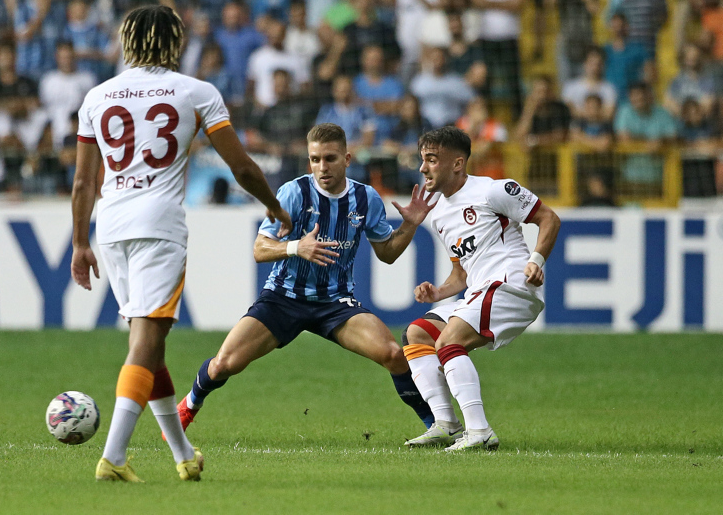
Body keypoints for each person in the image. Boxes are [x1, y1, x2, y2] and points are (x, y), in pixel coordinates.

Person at [70, 5, 291, 483]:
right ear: (176, 42)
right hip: (158, 224)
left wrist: (78, 244)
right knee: (146, 341)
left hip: (110, 224)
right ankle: (114, 456)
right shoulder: (195, 92)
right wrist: (273, 206)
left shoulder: (98, 96)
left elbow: (83, 184)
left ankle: (183, 454)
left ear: (127, 41)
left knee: (150, 344)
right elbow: (244, 168)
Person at [171, 122, 438, 439]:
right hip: (283, 299)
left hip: (335, 303)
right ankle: (190, 403)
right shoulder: (293, 193)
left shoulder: (366, 199)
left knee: (394, 354)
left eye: (330, 158)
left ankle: (434, 426)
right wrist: (298, 247)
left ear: (347, 159)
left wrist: (410, 225)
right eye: (315, 159)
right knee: (223, 365)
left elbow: (388, 253)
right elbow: (260, 249)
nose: (321, 167)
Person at [401, 126, 561, 449]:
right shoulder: (439, 215)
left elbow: (549, 218)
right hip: (480, 289)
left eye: (431, 160)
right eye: (422, 160)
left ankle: (480, 432)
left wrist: (537, 260)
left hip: (511, 282)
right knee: (416, 334)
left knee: (449, 341)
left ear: (457, 163)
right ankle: (446, 423)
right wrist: (437, 293)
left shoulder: (493, 190)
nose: (423, 168)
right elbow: (461, 275)